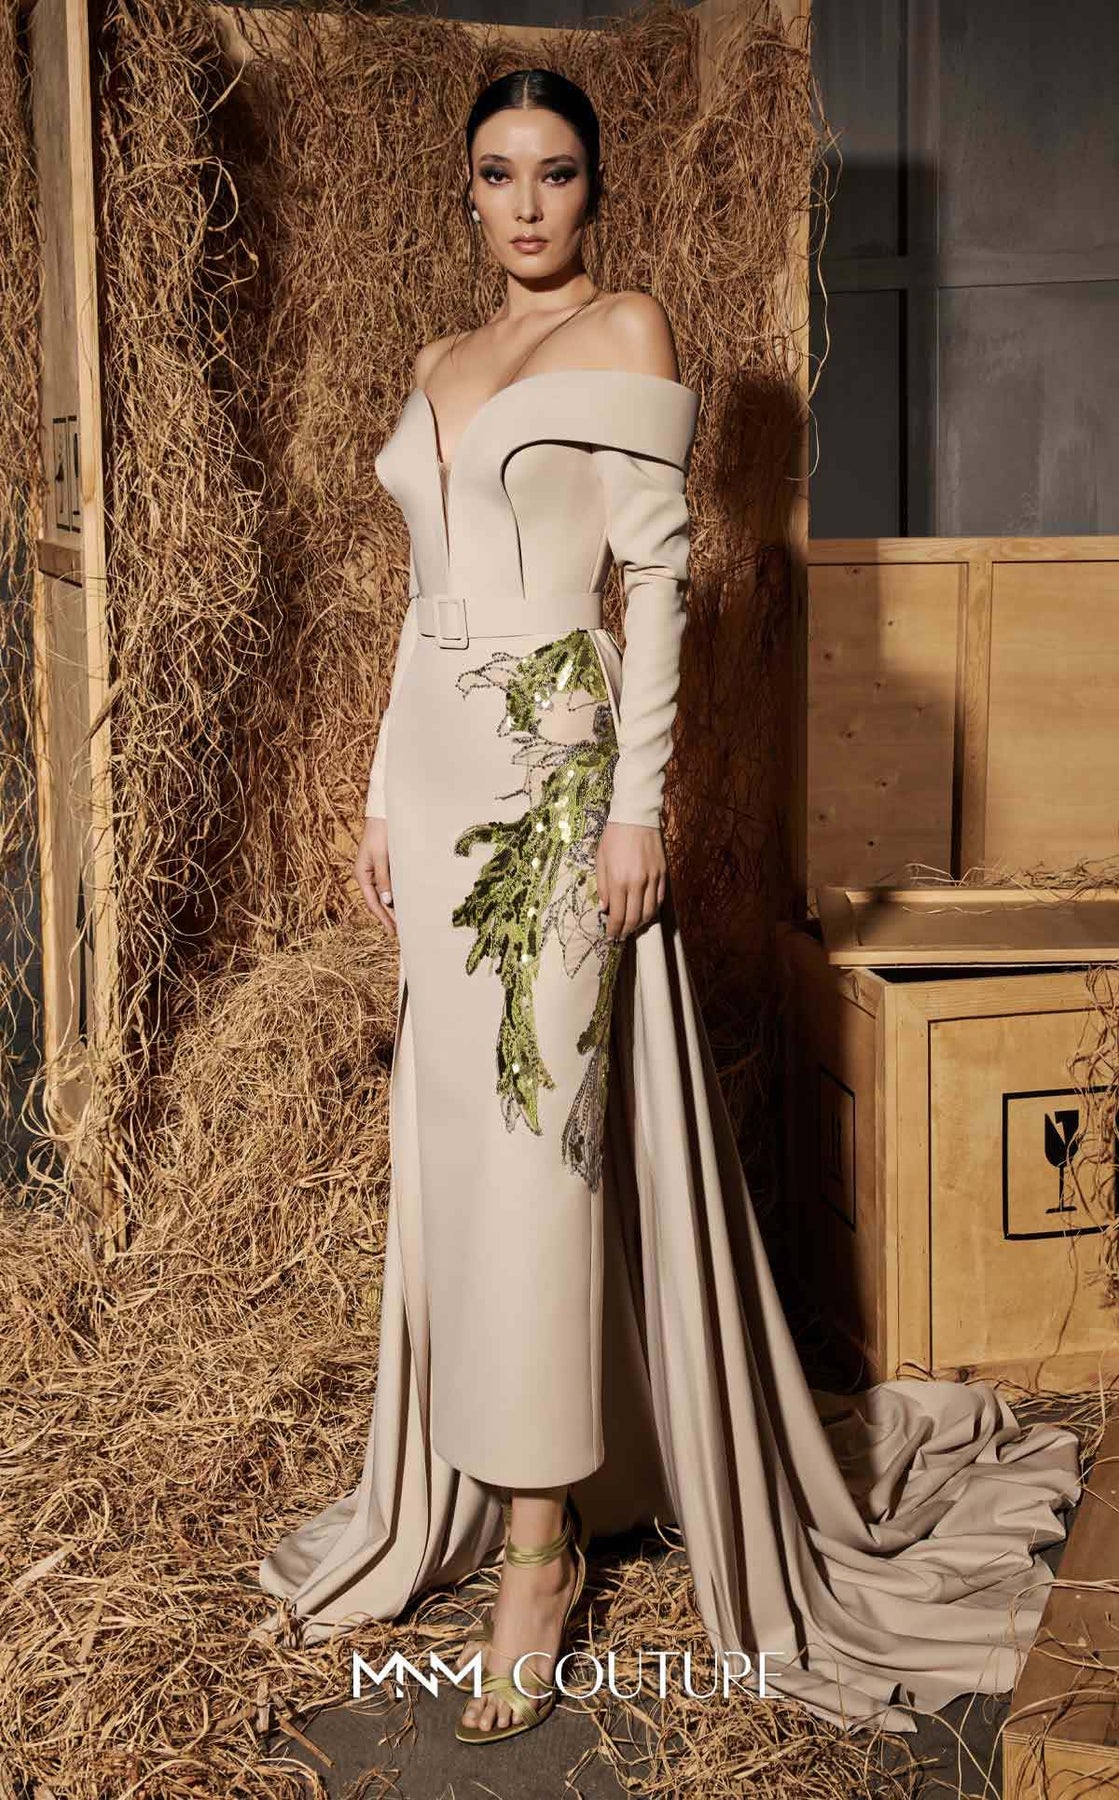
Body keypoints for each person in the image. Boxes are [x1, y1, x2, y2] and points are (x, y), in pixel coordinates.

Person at [258, 68, 1081, 1748]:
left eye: (557, 173)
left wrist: (639, 808)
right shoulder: (435, 360)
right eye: (500, 174)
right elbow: (423, 601)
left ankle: (540, 1550)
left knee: (541, 1141)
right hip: (439, 777)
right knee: (463, 1139)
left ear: (596, 188)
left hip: (557, 779)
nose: (527, 204)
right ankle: (470, 1480)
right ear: (466, 190)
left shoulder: (626, 331)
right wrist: (378, 796)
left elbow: (658, 585)